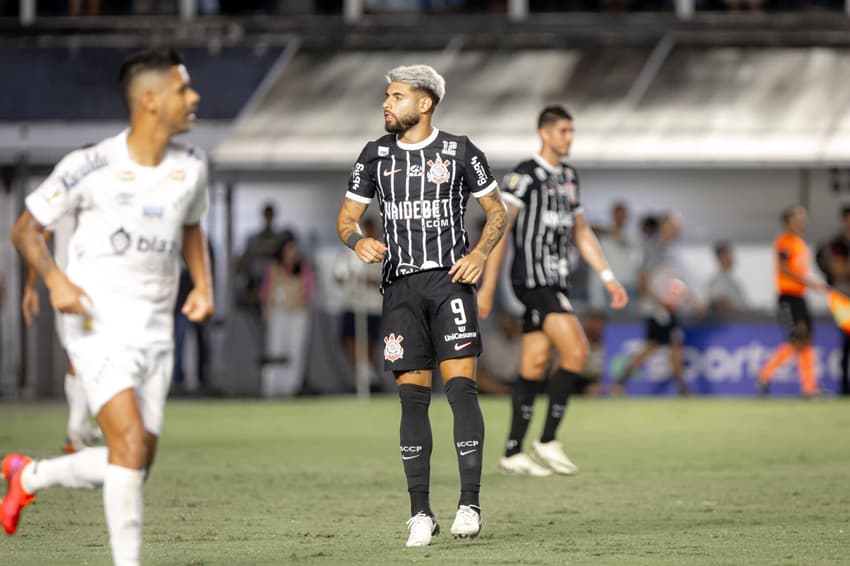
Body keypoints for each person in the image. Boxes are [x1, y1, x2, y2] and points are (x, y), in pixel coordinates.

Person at [3, 49, 214, 566]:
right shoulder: (88, 165)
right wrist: (53, 281)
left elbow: (191, 228)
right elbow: (26, 229)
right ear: (149, 100)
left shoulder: (192, 167)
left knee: (134, 463)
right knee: (126, 445)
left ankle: (28, 476)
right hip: (95, 322)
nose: (195, 98)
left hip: (155, 328)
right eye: (182, 89)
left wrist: (203, 286)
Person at [336, 64, 507, 547]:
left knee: (460, 392)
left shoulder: (460, 151)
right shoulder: (374, 156)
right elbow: (348, 217)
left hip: (450, 284)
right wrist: (356, 241)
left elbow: (498, 211)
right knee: (412, 399)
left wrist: (478, 254)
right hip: (400, 292)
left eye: (395, 96)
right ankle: (421, 513)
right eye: (386, 96)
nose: (386, 104)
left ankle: (469, 504)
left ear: (424, 103)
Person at [477, 105, 628, 478]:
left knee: (533, 365)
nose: (569, 138)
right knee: (576, 352)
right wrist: (487, 285)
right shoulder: (524, 176)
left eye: (571, 131)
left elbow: (581, 231)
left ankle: (513, 450)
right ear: (544, 133)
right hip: (532, 281)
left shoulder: (570, 177)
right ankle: (547, 439)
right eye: (563, 131)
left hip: (557, 281)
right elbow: (499, 230)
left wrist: (607, 275)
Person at [22, 223, 102, 452]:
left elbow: (38, 239)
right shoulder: (69, 192)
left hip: (73, 290)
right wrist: (31, 287)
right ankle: (75, 429)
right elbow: (35, 237)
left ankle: (81, 424)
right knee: (84, 352)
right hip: (79, 291)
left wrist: (31, 287)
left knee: (80, 352)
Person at [613, 212, 706, 396]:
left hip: (668, 307)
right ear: (665, 227)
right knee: (665, 344)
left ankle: (622, 382)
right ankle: (681, 389)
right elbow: (643, 278)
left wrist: (692, 300)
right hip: (657, 309)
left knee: (665, 345)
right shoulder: (653, 248)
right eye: (675, 227)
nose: (678, 231)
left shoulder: (672, 251)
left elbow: (676, 283)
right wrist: (658, 302)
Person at [758, 205, 827, 397]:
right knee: (797, 339)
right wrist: (809, 282)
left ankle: (809, 387)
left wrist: (812, 282)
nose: (803, 222)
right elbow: (784, 268)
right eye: (798, 218)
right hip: (788, 298)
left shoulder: (800, 243)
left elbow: (800, 270)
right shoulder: (784, 242)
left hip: (799, 297)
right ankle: (764, 374)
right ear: (788, 222)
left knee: (807, 339)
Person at [259, 234, 315, 396]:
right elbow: (266, 292)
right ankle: (271, 386)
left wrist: (299, 303)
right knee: (275, 348)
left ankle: (291, 387)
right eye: (289, 248)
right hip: (278, 313)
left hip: (298, 314)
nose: (292, 252)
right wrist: (267, 309)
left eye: (294, 248)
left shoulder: (303, 268)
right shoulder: (274, 267)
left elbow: (309, 292)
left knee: (295, 350)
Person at [334, 217, 384, 387]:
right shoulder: (351, 251)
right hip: (353, 303)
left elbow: (383, 279)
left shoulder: (382, 249)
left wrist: (367, 280)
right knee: (348, 340)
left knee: (370, 343)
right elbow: (338, 275)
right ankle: (366, 373)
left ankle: (370, 378)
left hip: (373, 304)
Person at [235, 203, 286, 311]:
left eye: (270, 215)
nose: (268, 218)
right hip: (255, 285)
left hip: (275, 285)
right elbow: (243, 263)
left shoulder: (280, 239)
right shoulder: (253, 239)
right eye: (267, 215)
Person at [592, 201, 639, 312]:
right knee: (611, 323)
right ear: (612, 215)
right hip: (611, 287)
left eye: (623, 214)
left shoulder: (633, 234)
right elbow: (587, 229)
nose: (620, 217)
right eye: (618, 213)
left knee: (630, 323)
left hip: (631, 287)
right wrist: (609, 231)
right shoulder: (604, 235)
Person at [824, 206, 850, 395]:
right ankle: (843, 388)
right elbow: (839, 270)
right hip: (843, 297)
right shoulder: (837, 243)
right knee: (847, 341)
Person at [706, 241, 748, 313]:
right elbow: (720, 303)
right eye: (729, 254)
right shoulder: (717, 281)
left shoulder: (732, 281)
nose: (732, 258)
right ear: (721, 256)